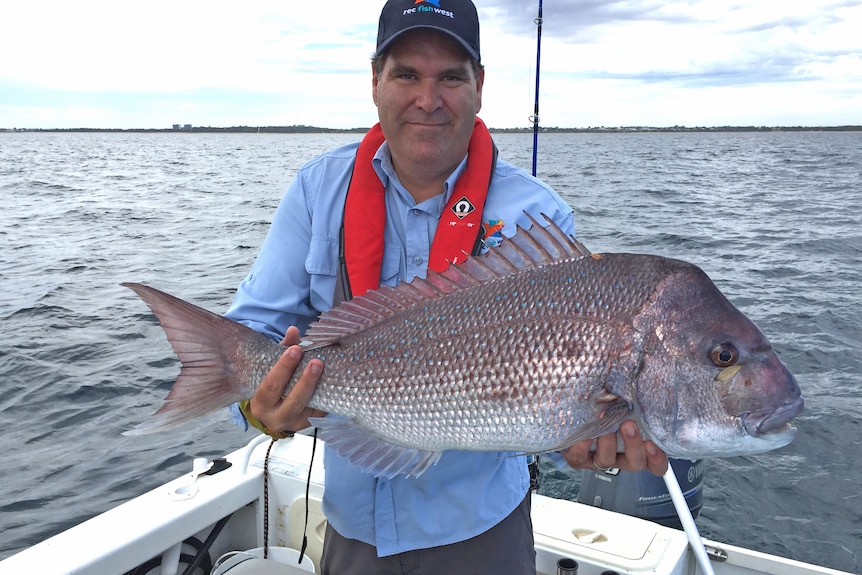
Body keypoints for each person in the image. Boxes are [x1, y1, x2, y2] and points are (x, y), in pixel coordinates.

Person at [225, 1, 668, 573]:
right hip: (355, 528)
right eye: (406, 74)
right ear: (375, 81)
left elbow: (564, 390)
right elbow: (249, 336)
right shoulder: (317, 191)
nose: (427, 99)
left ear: (479, 86)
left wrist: (584, 437)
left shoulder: (537, 214)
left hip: (483, 530)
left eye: (450, 77)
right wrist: (260, 409)